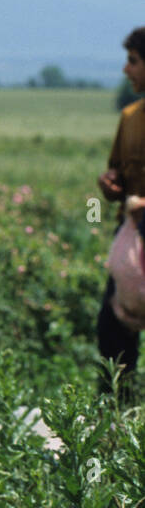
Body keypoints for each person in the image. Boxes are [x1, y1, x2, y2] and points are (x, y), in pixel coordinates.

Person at [96, 27, 145, 396]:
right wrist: (111, 186)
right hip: (131, 237)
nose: (126, 70)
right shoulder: (130, 118)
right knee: (112, 332)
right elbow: (117, 172)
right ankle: (117, 413)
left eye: (133, 61)